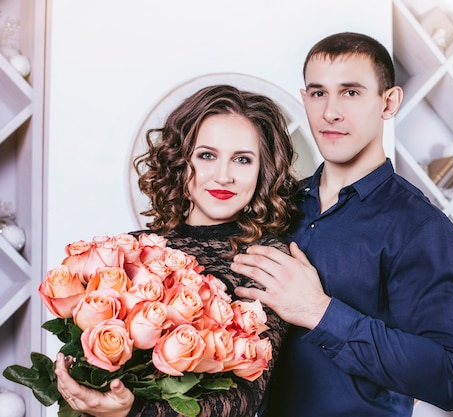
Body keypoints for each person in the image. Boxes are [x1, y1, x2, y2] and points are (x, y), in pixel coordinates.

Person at [231, 32, 453, 416]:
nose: (330, 112)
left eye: (351, 93)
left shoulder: (421, 228)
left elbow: (449, 377)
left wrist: (318, 311)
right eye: (318, 93)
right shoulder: (276, 203)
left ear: (388, 102)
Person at [54, 84, 301, 417]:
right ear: (180, 161)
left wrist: (135, 412)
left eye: (242, 159)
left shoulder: (267, 258)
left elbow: (245, 398)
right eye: (207, 155)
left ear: (262, 171)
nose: (223, 175)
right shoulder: (128, 252)